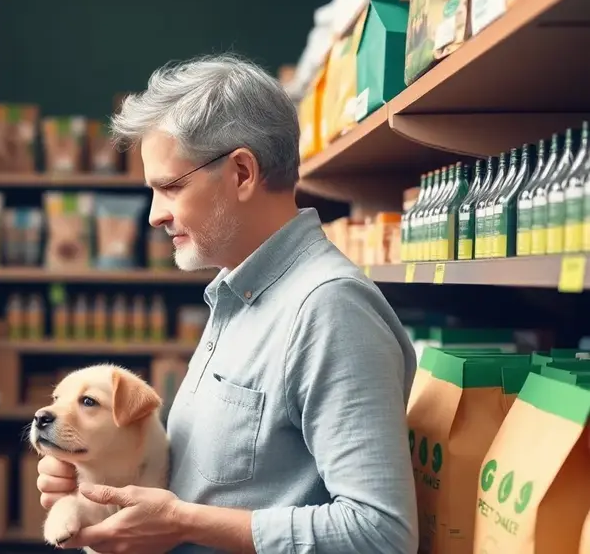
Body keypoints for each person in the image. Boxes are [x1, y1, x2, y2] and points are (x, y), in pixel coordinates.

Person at [36, 54, 418, 554]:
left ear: (241, 172)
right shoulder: (237, 293)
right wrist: (92, 472)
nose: (154, 215)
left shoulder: (328, 309)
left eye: (170, 187)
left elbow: (381, 534)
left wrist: (182, 523)